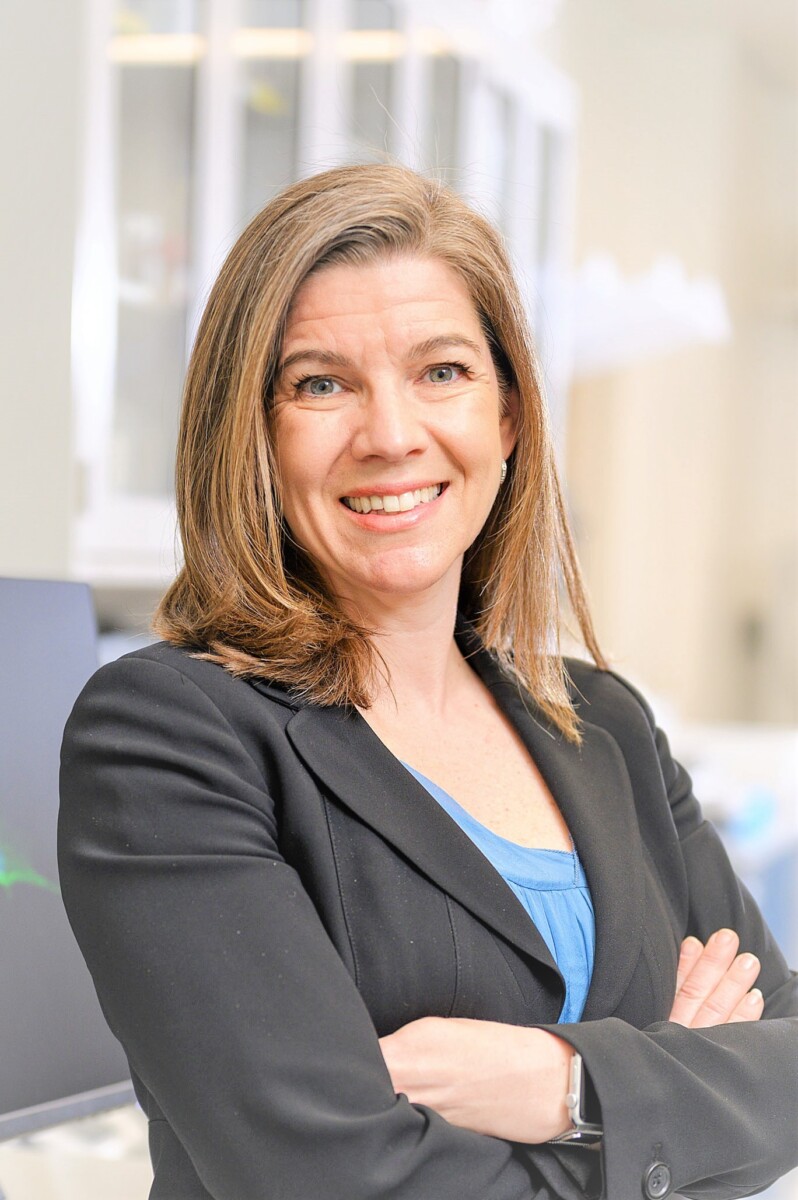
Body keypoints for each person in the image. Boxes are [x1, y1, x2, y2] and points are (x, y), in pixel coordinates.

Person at [58, 164, 797, 1200]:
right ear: (255, 437)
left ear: (506, 417)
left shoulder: (604, 725)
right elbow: (331, 1178)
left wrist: (570, 1082)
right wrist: (677, 1102)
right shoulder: (171, 735)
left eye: (442, 371)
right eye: (321, 383)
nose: (392, 434)